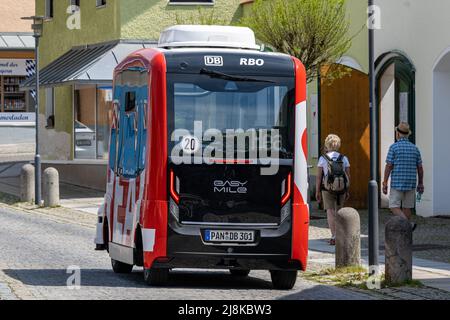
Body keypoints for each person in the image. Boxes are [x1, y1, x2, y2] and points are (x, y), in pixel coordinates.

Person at [383, 122, 424, 231]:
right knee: (407, 207)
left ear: (397, 134)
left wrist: (385, 182)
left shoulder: (394, 147)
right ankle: (406, 233)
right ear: (407, 134)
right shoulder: (415, 148)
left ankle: (408, 224)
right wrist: (420, 183)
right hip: (411, 182)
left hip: (397, 182)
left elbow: (389, 166)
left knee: (393, 206)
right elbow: (420, 168)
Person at [316, 134, 350, 245]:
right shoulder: (344, 158)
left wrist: (317, 191)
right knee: (339, 212)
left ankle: (334, 236)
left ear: (327, 145)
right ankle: (341, 236)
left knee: (330, 212)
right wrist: (347, 190)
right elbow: (348, 176)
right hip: (341, 188)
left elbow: (319, 177)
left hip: (327, 188)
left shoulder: (323, 158)